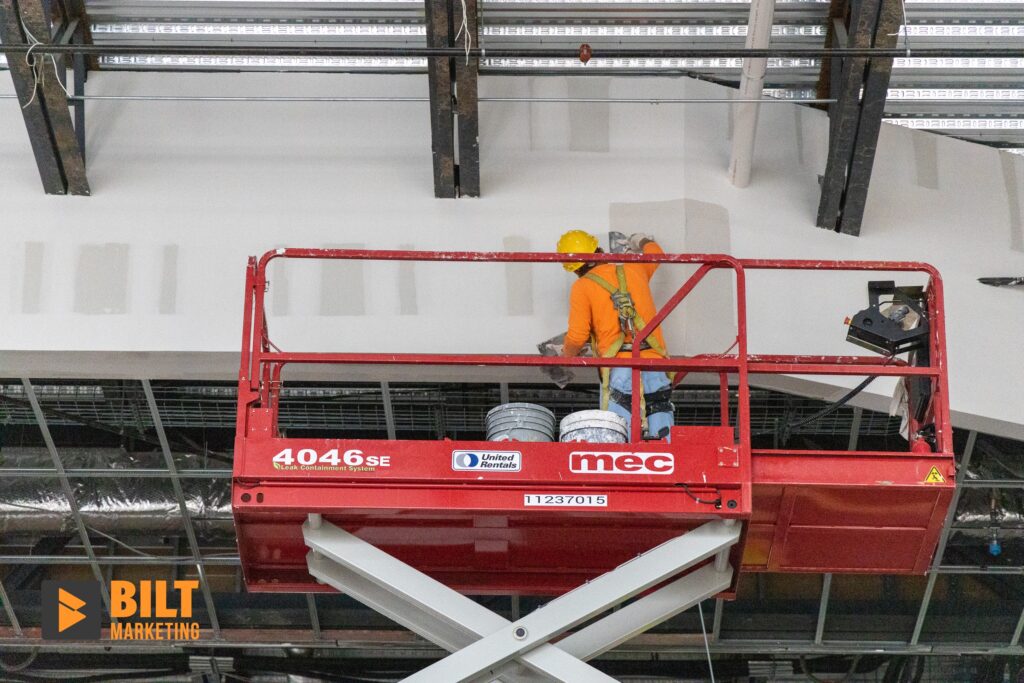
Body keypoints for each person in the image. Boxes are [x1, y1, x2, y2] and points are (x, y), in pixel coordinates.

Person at [557, 229, 674, 439]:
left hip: (620, 369)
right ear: (598, 250)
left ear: (574, 269)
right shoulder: (634, 269)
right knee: (662, 432)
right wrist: (640, 240)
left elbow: (577, 337)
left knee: (621, 439)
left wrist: (564, 358)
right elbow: (656, 253)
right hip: (655, 363)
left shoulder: (582, 286)